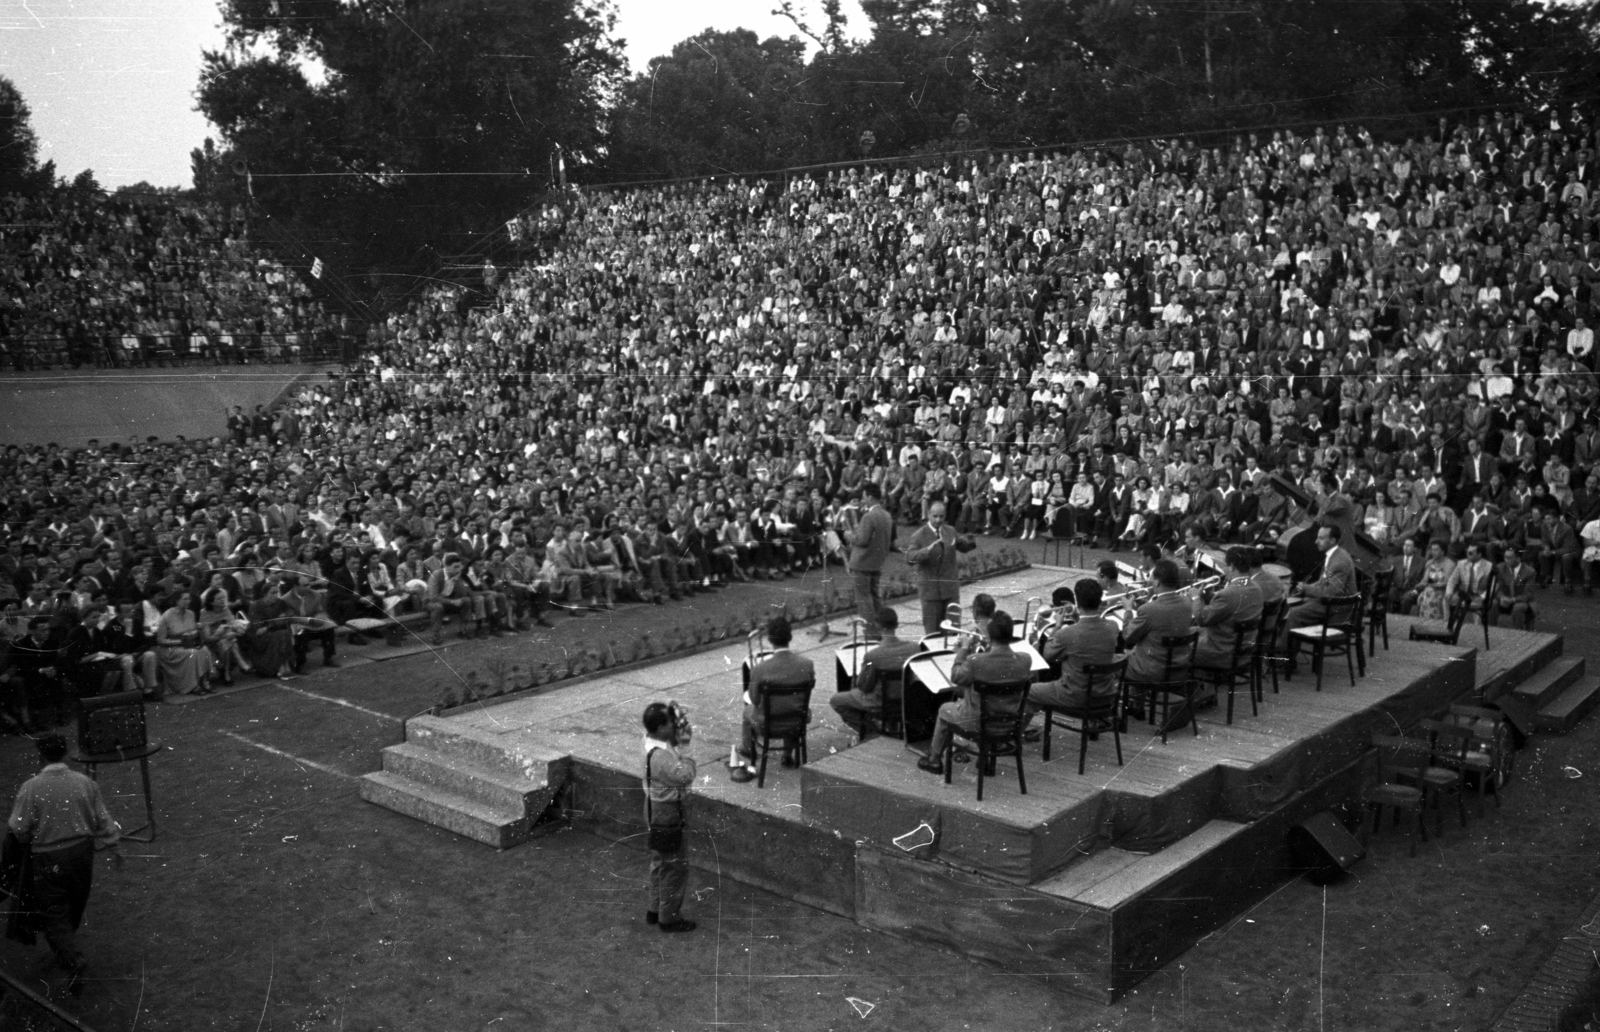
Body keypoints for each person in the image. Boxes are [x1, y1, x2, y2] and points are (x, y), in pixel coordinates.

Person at [6, 733, 122, 996]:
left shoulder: (31, 787)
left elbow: (18, 827)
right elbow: (102, 817)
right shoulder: (84, 783)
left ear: (41, 756)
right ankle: (65, 947)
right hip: (82, 853)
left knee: (53, 910)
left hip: (48, 856)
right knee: (75, 901)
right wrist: (113, 844)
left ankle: (70, 957)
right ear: (65, 753)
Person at [917, 611, 1034, 775]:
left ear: (990, 634)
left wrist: (964, 649)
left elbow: (956, 676)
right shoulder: (1025, 659)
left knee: (945, 709)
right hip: (1009, 723)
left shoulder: (976, 661)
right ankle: (984, 760)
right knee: (986, 705)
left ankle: (934, 760)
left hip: (978, 723)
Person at [732, 616, 815, 782]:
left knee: (747, 711)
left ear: (770, 639)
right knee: (792, 706)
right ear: (790, 637)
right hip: (797, 720)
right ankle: (787, 754)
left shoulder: (760, 669)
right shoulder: (807, 664)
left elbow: (754, 700)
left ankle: (748, 749)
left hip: (768, 724)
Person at [642, 701, 696, 934]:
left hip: (653, 810)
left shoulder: (650, 744)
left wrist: (675, 739)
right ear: (662, 727)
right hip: (667, 815)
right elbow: (685, 775)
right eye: (671, 722)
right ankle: (669, 918)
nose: (675, 725)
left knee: (659, 862)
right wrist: (685, 748)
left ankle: (655, 908)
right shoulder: (661, 758)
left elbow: (667, 746)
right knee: (675, 867)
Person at [829, 607, 920, 740]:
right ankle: (887, 729)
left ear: (878, 626)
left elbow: (864, 687)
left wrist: (857, 679)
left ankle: (872, 732)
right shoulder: (914, 648)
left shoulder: (873, 655)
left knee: (836, 701)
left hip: (880, 703)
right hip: (907, 701)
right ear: (897, 624)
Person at [1030, 579, 1121, 711]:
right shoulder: (1112, 626)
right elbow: (1091, 635)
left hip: (1076, 696)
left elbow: (1047, 655)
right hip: (1106, 693)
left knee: (1029, 690)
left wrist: (1057, 626)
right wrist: (1076, 618)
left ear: (1077, 602)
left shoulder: (1067, 633)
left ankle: (1015, 730)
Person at [1283, 524, 1358, 672]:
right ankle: (1287, 654)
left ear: (1333, 540)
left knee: (1295, 613)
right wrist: (1304, 588)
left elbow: (1331, 593)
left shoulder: (1339, 561)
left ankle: (1285, 658)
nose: (1316, 541)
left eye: (1321, 538)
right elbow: (1324, 582)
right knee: (1294, 605)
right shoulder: (1335, 554)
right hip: (1332, 603)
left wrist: (1305, 589)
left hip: (1338, 609)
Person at [1119, 559, 1194, 690]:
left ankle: (1133, 706)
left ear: (1158, 581)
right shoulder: (1187, 603)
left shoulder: (1149, 610)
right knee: (1140, 651)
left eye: (1152, 578)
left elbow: (1127, 636)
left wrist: (1128, 610)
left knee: (1116, 661)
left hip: (1153, 672)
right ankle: (1136, 704)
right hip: (1179, 670)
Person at [903, 502, 977, 634]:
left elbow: (962, 546)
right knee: (933, 633)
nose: (938, 520)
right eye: (935, 516)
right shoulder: (918, 535)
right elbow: (909, 558)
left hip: (950, 590)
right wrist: (926, 551)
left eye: (941, 517)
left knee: (953, 632)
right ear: (929, 515)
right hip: (931, 593)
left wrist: (970, 541)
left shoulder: (950, 531)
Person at [1191, 547, 1264, 670]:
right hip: (1244, 650)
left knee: (1178, 647)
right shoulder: (1257, 588)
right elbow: (1231, 605)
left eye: (1224, 566)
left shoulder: (1227, 594)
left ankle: (1185, 685)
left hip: (1223, 653)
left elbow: (1201, 619)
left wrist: (1195, 598)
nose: (1223, 570)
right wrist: (1210, 597)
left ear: (1232, 567)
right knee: (1190, 630)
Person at [847, 483, 894, 638]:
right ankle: (882, 629)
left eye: (864, 496)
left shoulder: (869, 516)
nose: (862, 499)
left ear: (870, 497)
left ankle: (871, 633)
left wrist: (849, 535)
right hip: (876, 562)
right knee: (875, 598)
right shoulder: (886, 515)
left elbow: (861, 540)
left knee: (864, 599)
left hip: (862, 563)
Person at [155, 590, 215, 696]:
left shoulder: (190, 614)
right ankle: (193, 685)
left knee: (204, 650)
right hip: (171, 647)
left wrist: (195, 633)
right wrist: (180, 641)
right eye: (185, 599)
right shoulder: (167, 616)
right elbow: (161, 640)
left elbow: (192, 630)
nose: (188, 601)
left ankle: (204, 681)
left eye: (189, 599)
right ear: (177, 601)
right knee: (192, 653)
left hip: (189, 643)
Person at [1492, 545, 1536, 629]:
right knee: (1492, 604)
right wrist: (1502, 597)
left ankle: (1519, 632)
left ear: (1518, 558)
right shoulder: (1500, 568)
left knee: (1518, 608)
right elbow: (1497, 587)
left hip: (1521, 601)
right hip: (1505, 599)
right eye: (1505, 557)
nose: (1506, 560)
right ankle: (1490, 630)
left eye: (1509, 558)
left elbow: (1528, 594)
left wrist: (1512, 600)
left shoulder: (1529, 572)